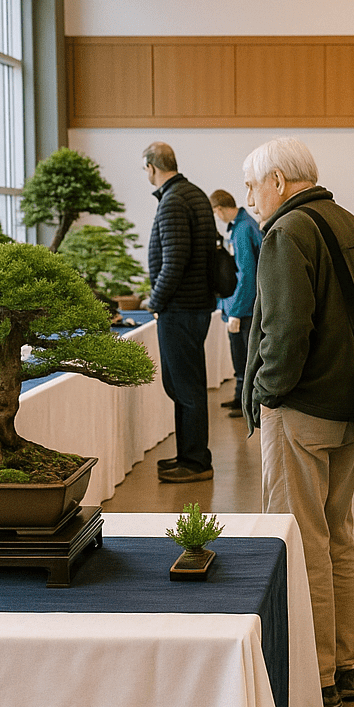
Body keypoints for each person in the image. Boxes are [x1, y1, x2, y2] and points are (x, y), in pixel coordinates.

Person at [241, 137, 354, 707]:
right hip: (352, 405)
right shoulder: (352, 224)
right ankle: (344, 663)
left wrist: (268, 394)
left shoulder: (286, 234)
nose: (249, 197)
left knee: (304, 541)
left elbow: (286, 333)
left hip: (301, 408)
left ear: (277, 180)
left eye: (252, 185)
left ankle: (316, 674)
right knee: (338, 534)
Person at [143, 141, 218, 483]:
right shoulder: (195, 194)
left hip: (180, 308)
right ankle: (190, 455)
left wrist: (154, 301)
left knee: (184, 387)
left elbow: (174, 261)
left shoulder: (173, 201)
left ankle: (196, 461)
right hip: (196, 305)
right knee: (186, 384)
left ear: (152, 167)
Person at [210, 189, 263, 418]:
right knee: (239, 355)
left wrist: (236, 312)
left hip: (244, 307)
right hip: (240, 305)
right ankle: (240, 396)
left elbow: (246, 274)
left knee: (245, 356)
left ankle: (247, 401)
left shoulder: (242, 230)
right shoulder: (241, 226)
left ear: (219, 208)